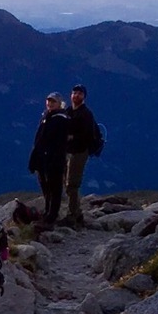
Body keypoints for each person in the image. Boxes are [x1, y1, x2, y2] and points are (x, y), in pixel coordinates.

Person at [28, 93, 70, 226]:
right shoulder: (46, 116)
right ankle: (47, 210)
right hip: (42, 159)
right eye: (48, 101)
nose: (50, 104)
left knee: (55, 187)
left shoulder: (61, 119)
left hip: (54, 159)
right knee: (45, 186)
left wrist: (51, 157)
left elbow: (59, 143)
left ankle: (52, 215)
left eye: (53, 102)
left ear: (60, 103)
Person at [63, 83, 102, 226]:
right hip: (68, 151)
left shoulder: (86, 114)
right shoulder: (68, 111)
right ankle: (76, 212)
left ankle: (73, 215)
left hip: (79, 152)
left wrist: (71, 137)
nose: (76, 95)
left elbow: (87, 135)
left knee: (72, 184)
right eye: (74, 93)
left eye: (79, 93)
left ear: (84, 96)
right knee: (66, 182)